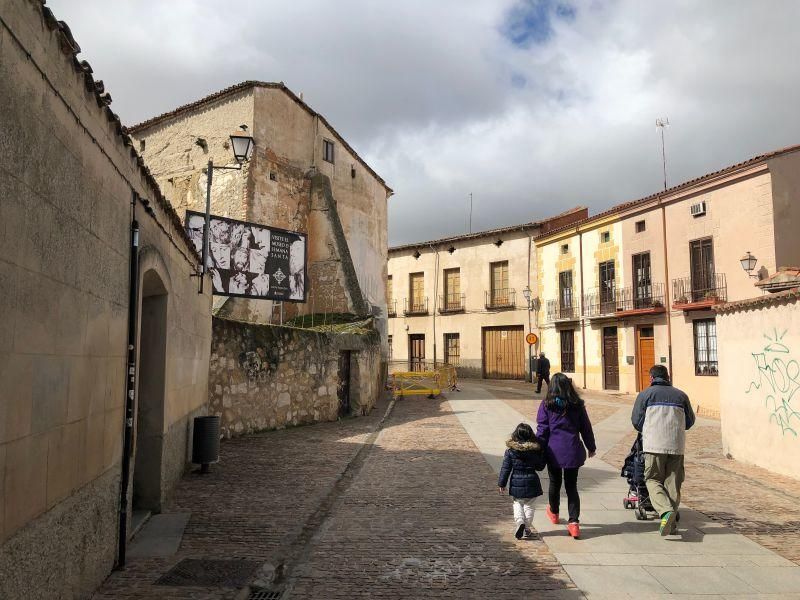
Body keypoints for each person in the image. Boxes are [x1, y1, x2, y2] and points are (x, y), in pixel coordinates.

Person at [631, 365, 695, 536]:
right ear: (668, 376)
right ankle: (671, 524)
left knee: (652, 479)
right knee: (673, 482)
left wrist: (649, 429)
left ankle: (665, 511)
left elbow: (636, 421)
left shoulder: (645, 395)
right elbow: (690, 421)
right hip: (676, 444)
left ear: (651, 378)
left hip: (653, 445)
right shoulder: (681, 395)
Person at [536, 373, 596, 539]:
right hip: (572, 450)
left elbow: (542, 429)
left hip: (553, 451)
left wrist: (537, 448)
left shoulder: (547, 405)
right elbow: (586, 428)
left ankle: (554, 512)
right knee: (572, 486)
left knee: (555, 483)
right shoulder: (577, 405)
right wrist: (591, 447)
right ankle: (574, 522)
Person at [497, 423, 547, 540]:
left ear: (515, 435)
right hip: (532, 482)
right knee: (529, 506)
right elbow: (539, 467)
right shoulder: (535, 450)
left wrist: (502, 483)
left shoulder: (510, 451)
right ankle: (527, 528)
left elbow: (506, 468)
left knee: (518, 503)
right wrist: (543, 456)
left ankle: (520, 522)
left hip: (516, 482)